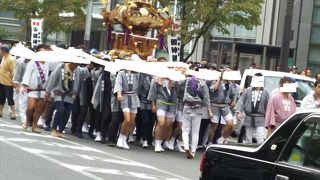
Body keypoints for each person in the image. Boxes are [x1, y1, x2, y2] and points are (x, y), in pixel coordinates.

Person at [45, 62, 81, 138]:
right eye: (74, 64)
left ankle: (60, 131)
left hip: (70, 95)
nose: (75, 66)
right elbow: (53, 79)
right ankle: (54, 129)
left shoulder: (77, 70)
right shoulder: (60, 67)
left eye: (77, 65)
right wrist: (48, 91)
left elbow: (77, 82)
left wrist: (75, 93)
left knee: (67, 113)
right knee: (60, 110)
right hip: (59, 93)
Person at [181, 73, 212, 159]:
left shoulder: (187, 80)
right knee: (195, 132)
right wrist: (208, 110)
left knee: (185, 130)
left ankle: (186, 147)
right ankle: (193, 151)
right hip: (198, 108)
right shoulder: (203, 83)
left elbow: (176, 84)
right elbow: (206, 98)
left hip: (187, 106)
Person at [21, 45, 50, 132]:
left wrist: (47, 90)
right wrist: (25, 86)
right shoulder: (32, 62)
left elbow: (47, 77)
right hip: (32, 89)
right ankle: (26, 121)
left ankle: (34, 125)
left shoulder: (47, 63)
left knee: (38, 109)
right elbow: (27, 74)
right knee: (30, 107)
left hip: (42, 90)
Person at [235, 73, 270, 144]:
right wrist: (239, 112)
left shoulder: (266, 92)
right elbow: (241, 101)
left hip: (261, 118)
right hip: (249, 117)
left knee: (260, 137)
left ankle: (259, 153)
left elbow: (269, 105)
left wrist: (269, 116)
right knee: (248, 137)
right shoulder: (248, 90)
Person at [208, 70, 237, 144]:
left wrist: (233, 101)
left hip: (225, 106)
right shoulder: (216, 81)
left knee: (231, 124)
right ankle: (210, 143)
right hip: (215, 105)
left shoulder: (230, 84)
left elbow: (234, 94)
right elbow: (214, 89)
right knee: (214, 126)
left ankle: (222, 138)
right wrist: (219, 79)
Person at [115, 68, 140, 149]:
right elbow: (118, 83)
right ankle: (120, 137)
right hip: (125, 97)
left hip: (134, 97)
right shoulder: (121, 73)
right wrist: (119, 93)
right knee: (127, 119)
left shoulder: (137, 73)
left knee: (132, 121)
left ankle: (125, 138)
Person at [0, 46, 16, 119]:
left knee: (9, 98)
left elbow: (13, 71)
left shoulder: (11, 59)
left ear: (3, 51)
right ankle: (0, 112)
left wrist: (14, 81)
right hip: (1, 81)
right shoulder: (3, 58)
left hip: (8, 82)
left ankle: (13, 113)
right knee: (1, 97)